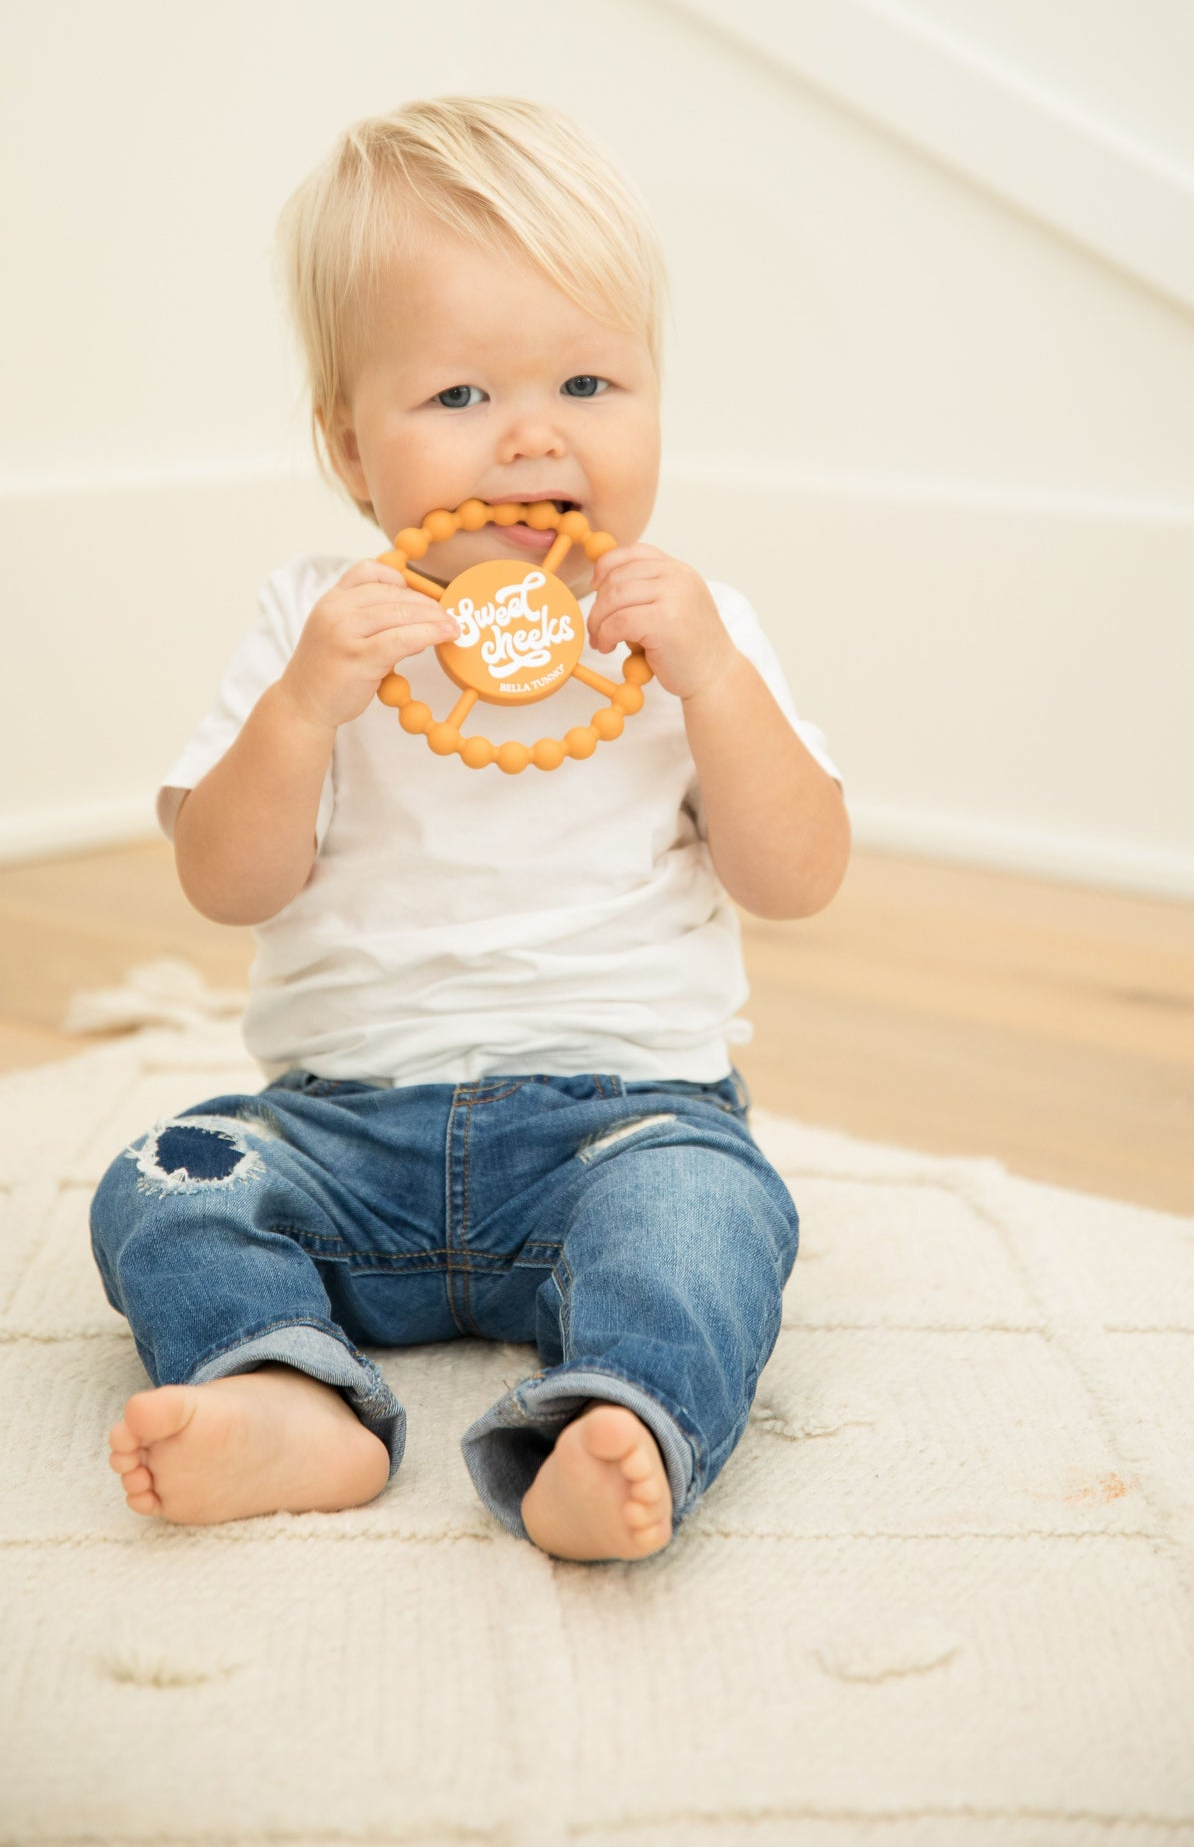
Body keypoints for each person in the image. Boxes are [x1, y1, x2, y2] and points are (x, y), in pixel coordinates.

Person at [89, 95, 851, 1561]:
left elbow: (799, 876)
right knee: (168, 1181)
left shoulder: (693, 629)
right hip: (338, 1131)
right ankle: (279, 1388)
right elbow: (227, 884)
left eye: (588, 382)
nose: (529, 434)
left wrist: (712, 683)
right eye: (456, 397)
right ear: (350, 446)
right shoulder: (313, 623)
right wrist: (305, 707)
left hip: (626, 1120)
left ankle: (618, 1419)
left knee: (707, 1220)